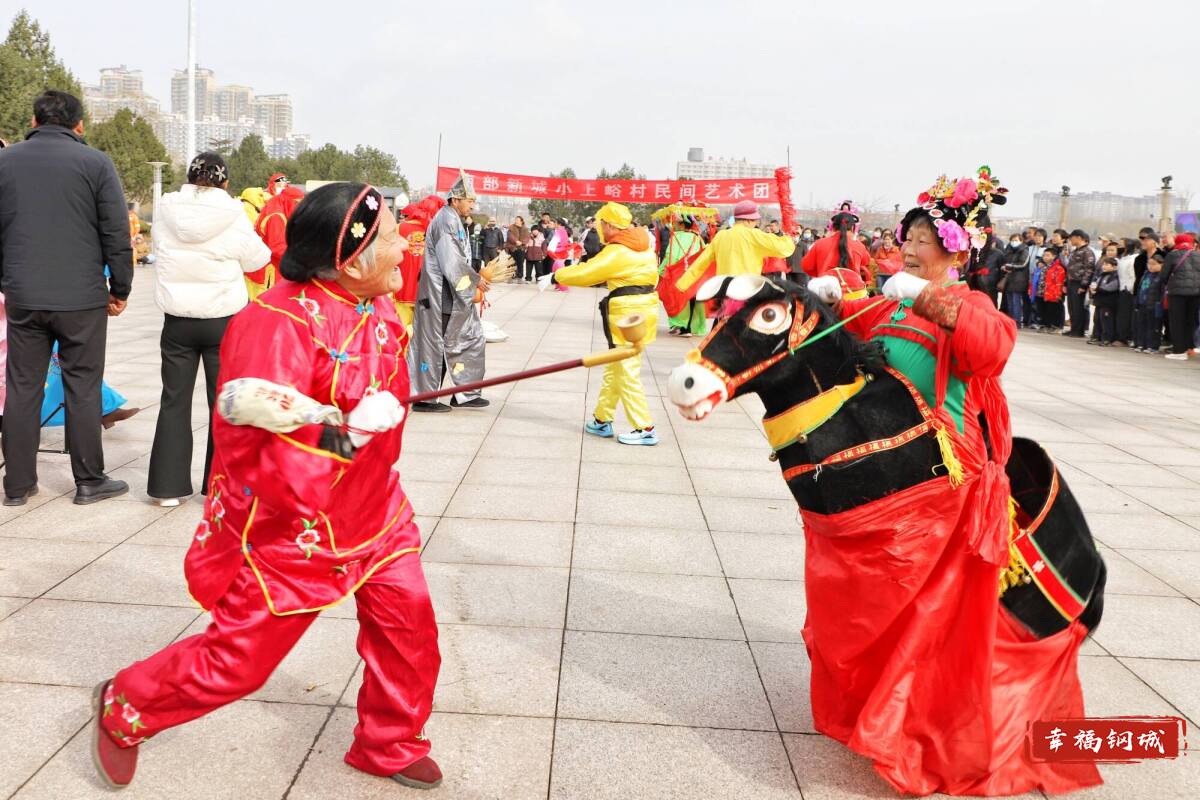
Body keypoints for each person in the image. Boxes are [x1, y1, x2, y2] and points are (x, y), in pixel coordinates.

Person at [90, 182, 444, 792]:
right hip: (292, 529)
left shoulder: (378, 305)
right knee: (238, 664)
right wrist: (348, 433)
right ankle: (128, 704)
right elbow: (256, 442)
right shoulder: (276, 323)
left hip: (376, 508)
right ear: (348, 261)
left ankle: (388, 741)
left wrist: (377, 419)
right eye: (391, 237)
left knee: (409, 629)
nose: (403, 247)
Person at [805, 166, 1099, 796]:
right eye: (907, 237)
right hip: (891, 471)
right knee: (875, 596)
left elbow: (991, 349)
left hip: (945, 479)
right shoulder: (892, 299)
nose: (910, 247)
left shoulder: (971, 305)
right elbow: (853, 318)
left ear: (957, 252)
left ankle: (927, 727)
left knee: (930, 614)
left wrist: (923, 296)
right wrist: (828, 295)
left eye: (924, 240)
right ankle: (881, 704)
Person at [0, 90, 131, 506]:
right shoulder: (96, 163)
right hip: (81, 298)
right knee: (83, 386)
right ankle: (89, 481)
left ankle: (17, 485)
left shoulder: (5, 162)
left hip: (23, 294)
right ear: (79, 125)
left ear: (34, 121)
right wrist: (120, 288)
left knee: (22, 387)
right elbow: (116, 232)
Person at [147, 152, 271, 506]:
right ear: (225, 182)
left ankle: (167, 489)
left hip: (177, 319)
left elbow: (158, 249)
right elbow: (258, 258)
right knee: (224, 403)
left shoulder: (166, 210)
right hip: (222, 319)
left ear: (189, 177)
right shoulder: (233, 213)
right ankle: (220, 488)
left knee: (174, 400)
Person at [540, 201, 660, 445]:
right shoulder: (643, 245)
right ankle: (602, 419)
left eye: (601, 224)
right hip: (643, 309)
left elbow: (587, 273)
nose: (599, 229)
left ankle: (644, 427)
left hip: (628, 312)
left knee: (626, 369)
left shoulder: (618, 250)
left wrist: (556, 275)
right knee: (616, 366)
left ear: (609, 224)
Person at [407, 170, 489, 411]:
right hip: (441, 296)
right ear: (456, 199)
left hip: (453, 296)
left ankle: (465, 393)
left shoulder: (454, 219)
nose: (472, 205)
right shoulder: (445, 221)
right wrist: (475, 281)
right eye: (469, 200)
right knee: (436, 345)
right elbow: (451, 262)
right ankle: (425, 397)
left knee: (469, 340)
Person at [675, 200, 795, 293]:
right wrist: (789, 236)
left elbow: (701, 262)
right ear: (748, 220)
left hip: (724, 290)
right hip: (747, 291)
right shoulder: (754, 235)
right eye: (755, 221)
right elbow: (785, 249)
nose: (755, 223)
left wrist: (683, 284)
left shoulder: (721, 236)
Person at [250, 173, 303, 300]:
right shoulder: (276, 216)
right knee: (264, 305)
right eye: (297, 204)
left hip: (265, 268)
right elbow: (278, 247)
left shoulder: (277, 205)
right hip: (267, 272)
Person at [659, 214, 707, 337]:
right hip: (693, 272)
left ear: (681, 225)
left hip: (678, 272)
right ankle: (688, 327)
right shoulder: (697, 237)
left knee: (675, 298)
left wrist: (661, 270)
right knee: (692, 299)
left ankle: (682, 326)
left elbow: (670, 255)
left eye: (677, 223)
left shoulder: (676, 236)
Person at [800, 202, 871, 282]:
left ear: (833, 227)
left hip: (825, 285)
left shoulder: (820, 244)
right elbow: (866, 263)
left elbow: (806, 266)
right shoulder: (859, 246)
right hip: (852, 287)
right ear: (852, 228)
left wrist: (820, 273)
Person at [1161, 232, 1200, 360]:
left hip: (1177, 293)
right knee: (1190, 321)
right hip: (1196, 294)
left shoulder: (1172, 255)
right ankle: (1189, 347)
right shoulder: (1197, 254)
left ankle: (1179, 351)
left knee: (1177, 321)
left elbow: (1163, 275)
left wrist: (1168, 284)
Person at [1064, 229, 1095, 337]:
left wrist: (1084, 285)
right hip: (1071, 281)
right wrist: (1065, 283)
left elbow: (1089, 269)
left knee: (1078, 307)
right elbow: (1069, 268)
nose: (1070, 240)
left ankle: (1079, 330)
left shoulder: (1087, 252)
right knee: (1071, 307)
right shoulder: (1074, 251)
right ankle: (1073, 328)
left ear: (1079, 238)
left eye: (1072, 238)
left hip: (1079, 283)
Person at [1134, 252, 1166, 352]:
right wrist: (1137, 302)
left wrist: (1160, 304)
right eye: (1149, 264)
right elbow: (1140, 289)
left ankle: (1152, 346)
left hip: (1155, 305)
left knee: (1153, 326)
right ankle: (1141, 344)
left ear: (1161, 264)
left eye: (1154, 264)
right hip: (1143, 303)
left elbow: (1163, 293)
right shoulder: (1145, 274)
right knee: (1141, 324)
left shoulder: (1162, 276)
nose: (1150, 266)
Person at [1088, 257, 1120, 345]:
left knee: (1106, 321)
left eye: (1107, 265)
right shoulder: (1101, 275)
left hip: (1108, 303)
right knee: (1097, 319)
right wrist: (1092, 289)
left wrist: (1097, 289)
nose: (1104, 266)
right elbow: (1095, 284)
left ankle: (1107, 339)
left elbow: (1111, 287)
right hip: (1099, 302)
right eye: (1103, 264)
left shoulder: (1114, 276)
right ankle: (1096, 336)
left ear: (1114, 267)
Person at [1037, 246, 1067, 333]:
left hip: (1053, 293)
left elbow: (1059, 282)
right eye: (1044, 255)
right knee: (1043, 309)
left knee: (1054, 310)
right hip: (1042, 292)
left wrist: (1057, 293)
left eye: (1047, 255)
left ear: (1054, 256)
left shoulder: (1058, 268)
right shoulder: (1043, 266)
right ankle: (1045, 325)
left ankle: (1056, 326)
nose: (1045, 257)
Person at [1115, 238, 1138, 345]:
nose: (1118, 247)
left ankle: (1125, 338)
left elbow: (1133, 276)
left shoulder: (1133, 259)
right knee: (1122, 315)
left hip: (1128, 290)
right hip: (1121, 289)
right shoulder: (1122, 259)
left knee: (1126, 316)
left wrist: (1131, 289)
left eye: (1121, 245)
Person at [504, 215, 530, 280]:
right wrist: (516, 241)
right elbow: (510, 236)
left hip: (521, 248)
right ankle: (511, 275)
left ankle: (519, 276)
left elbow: (527, 237)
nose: (516, 221)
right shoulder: (511, 227)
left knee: (520, 263)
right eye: (515, 220)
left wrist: (522, 242)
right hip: (512, 248)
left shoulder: (525, 229)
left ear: (521, 221)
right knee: (511, 262)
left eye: (518, 220)